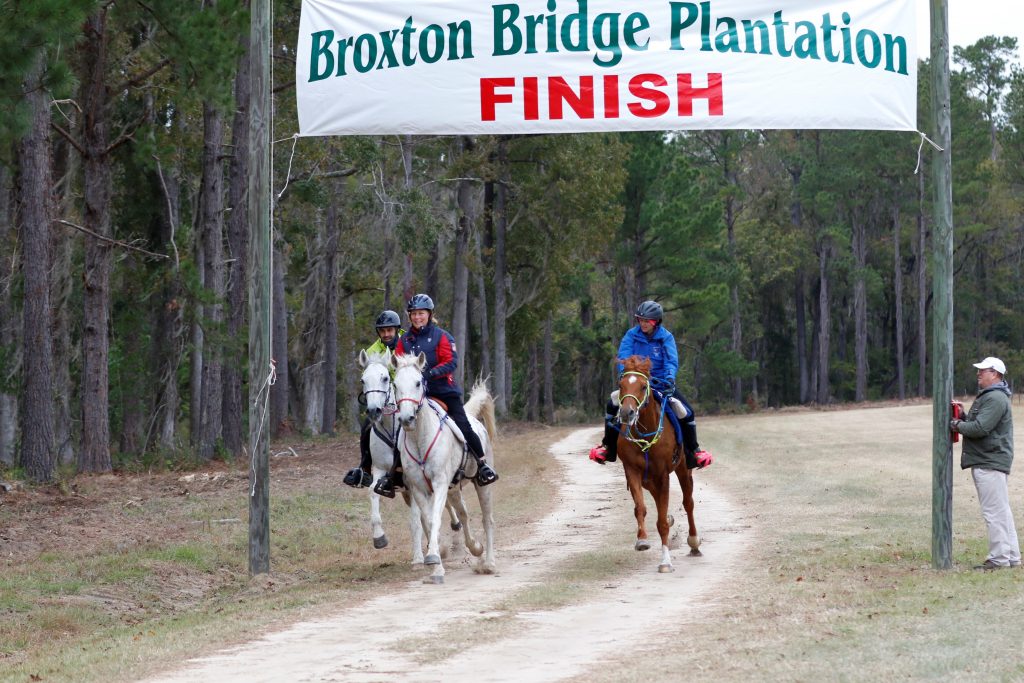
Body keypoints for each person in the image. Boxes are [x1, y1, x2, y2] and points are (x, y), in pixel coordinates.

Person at [374, 293, 498, 497]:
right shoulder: (404, 340)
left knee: (463, 424)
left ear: (429, 314)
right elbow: (398, 363)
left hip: (442, 391)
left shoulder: (442, 336)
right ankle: (394, 475)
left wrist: (429, 373)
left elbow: (451, 362)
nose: (417, 317)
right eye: (413, 314)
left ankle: (482, 464)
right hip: (414, 395)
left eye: (421, 313)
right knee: (399, 430)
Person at [589, 300, 713, 471]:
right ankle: (608, 448)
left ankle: (694, 452)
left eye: (647, 320)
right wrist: (624, 373)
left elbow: (671, 361)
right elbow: (623, 357)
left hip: (661, 384)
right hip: (635, 384)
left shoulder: (666, 337)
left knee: (687, 412)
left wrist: (669, 378)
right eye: (641, 320)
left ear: (656, 322)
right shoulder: (631, 335)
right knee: (612, 405)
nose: (643, 323)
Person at [950, 356, 1020, 570]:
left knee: (994, 512)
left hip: (989, 461)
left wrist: (955, 424)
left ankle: (999, 560)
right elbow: (978, 423)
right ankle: (1012, 558)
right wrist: (963, 416)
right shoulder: (993, 397)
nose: (979, 373)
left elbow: (980, 429)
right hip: (991, 460)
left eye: (983, 370)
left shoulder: (995, 398)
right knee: (1001, 511)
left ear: (996, 374)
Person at [343, 309, 404, 488]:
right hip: (384, 399)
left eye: (390, 330)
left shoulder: (407, 343)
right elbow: (371, 378)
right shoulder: (371, 351)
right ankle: (365, 468)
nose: (386, 334)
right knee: (366, 428)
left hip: (407, 393)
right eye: (383, 331)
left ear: (396, 330)